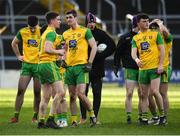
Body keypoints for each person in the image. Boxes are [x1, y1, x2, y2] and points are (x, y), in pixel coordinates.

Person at [79, 12, 116, 124]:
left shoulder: (101, 34)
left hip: (98, 68)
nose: (92, 24)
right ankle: (83, 117)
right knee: (82, 94)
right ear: (86, 23)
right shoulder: (81, 33)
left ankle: (94, 117)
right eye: (90, 22)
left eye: (93, 22)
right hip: (84, 68)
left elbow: (112, 46)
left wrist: (101, 55)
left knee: (97, 93)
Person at [62, 10, 97, 127]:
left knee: (81, 94)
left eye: (70, 17)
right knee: (72, 96)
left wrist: (90, 63)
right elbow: (65, 49)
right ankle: (73, 121)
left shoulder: (85, 31)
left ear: (76, 18)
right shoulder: (65, 34)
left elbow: (94, 47)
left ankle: (92, 116)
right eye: (66, 18)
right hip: (69, 68)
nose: (68, 20)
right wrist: (63, 59)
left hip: (81, 67)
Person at [131, 13, 166, 125]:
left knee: (155, 92)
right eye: (144, 21)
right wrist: (137, 60)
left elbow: (162, 50)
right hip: (143, 70)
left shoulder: (156, 34)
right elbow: (133, 53)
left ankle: (162, 117)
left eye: (147, 21)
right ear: (138, 23)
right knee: (143, 95)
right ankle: (145, 119)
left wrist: (160, 65)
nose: (147, 23)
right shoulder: (136, 37)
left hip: (154, 68)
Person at [37, 11, 65, 129]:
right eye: (58, 19)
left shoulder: (45, 33)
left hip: (40, 65)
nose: (59, 21)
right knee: (61, 92)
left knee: (45, 96)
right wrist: (59, 51)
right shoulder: (51, 33)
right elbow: (47, 49)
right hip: (49, 64)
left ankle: (41, 122)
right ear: (52, 21)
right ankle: (51, 119)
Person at [10, 15, 41, 123]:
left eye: (34, 27)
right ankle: (15, 116)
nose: (32, 29)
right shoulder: (22, 32)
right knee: (20, 90)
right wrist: (18, 56)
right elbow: (14, 43)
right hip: (27, 65)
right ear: (27, 25)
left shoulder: (42, 31)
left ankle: (35, 117)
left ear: (37, 24)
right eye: (30, 27)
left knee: (37, 92)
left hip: (38, 65)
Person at [114, 16, 142, 124]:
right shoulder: (125, 37)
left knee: (142, 94)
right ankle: (129, 117)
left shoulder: (145, 36)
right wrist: (116, 65)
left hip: (143, 68)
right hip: (130, 68)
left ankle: (141, 116)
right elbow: (118, 53)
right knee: (129, 93)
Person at [148, 19, 173, 125]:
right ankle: (155, 117)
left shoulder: (166, 38)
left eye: (156, 28)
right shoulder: (151, 38)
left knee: (163, 93)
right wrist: (150, 23)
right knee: (148, 95)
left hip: (164, 68)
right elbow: (142, 31)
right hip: (151, 68)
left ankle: (164, 118)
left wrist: (160, 24)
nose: (155, 29)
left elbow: (166, 33)